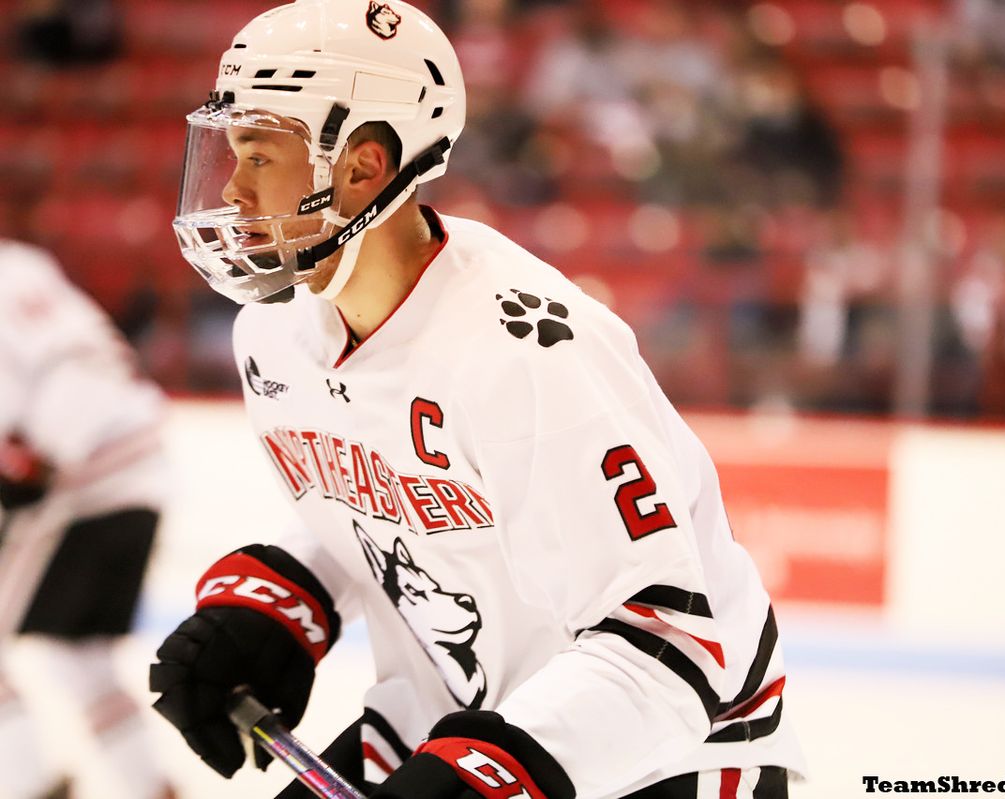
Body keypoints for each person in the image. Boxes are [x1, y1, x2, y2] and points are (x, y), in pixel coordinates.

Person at [150, 2, 806, 797]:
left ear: (360, 167)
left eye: (260, 157)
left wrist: (495, 771)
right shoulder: (274, 336)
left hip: (672, 754)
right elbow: (393, 497)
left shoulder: (525, 351)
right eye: (232, 153)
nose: (233, 189)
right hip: (465, 717)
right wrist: (285, 597)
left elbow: (671, 638)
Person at [0, 240, 174, 799]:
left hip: (77, 476)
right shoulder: (22, 260)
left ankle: (28, 784)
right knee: (80, 653)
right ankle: (150, 788)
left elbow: (17, 444)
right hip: (141, 464)